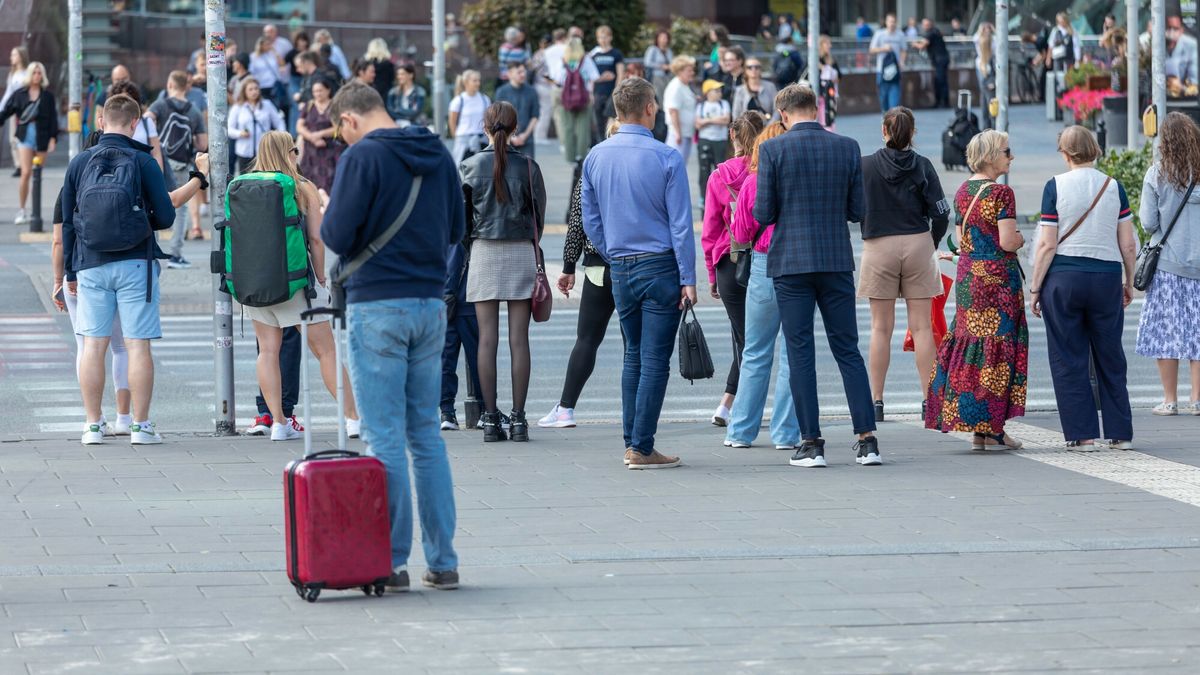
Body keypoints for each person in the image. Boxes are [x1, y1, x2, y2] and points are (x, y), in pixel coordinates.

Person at [321, 82, 461, 592]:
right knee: (425, 435)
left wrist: (324, 205)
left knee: (382, 439)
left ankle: (391, 560)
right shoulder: (438, 154)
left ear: (351, 120)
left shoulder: (363, 159)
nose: (343, 140)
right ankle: (444, 560)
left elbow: (336, 236)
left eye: (341, 132)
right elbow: (454, 230)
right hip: (429, 304)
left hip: (377, 304)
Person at [752, 84, 880, 469]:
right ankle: (867, 440)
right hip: (836, 259)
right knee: (847, 350)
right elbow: (858, 210)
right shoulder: (847, 147)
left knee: (800, 351)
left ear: (784, 114)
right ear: (816, 108)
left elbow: (763, 213)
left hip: (791, 263)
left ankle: (811, 443)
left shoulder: (773, 149)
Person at [582, 77, 696, 470]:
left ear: (616, 111)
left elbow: (589, 220)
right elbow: (680, 226)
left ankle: (632, 440)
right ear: (650, 108)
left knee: (632, 354)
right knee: (654, 359)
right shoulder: (666, 157)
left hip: (620, 266)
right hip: (659, 264)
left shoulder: (596, 156)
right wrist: (688, 277)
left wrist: (613, 248)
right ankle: (642, 446)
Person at [60, 94, 176, 446]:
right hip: (136, 263)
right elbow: (167, 216)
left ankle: (93, 425)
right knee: (137, 346)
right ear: (135, 123)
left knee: (93, 346)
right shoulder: (143, 161)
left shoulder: (79, 163)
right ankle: (140, 427)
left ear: (100, 122)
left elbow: (68, 222)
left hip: (91, 263)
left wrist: (70, 272)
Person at [237, 131, 361, 442]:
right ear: (288, 152)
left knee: (267, 350)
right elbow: (317, 239)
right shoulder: (302, 187)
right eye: (295, 149)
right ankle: (353, 418)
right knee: (326, 351)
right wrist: (320, 276)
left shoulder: (242, 184)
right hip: (297, 281)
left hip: (255, 280)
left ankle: (279, 422)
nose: (298, 154)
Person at [1028, 126, 1136, 450]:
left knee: (1068, 356)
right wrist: (1128, 281)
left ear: (1065, 152)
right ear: (1094, 149)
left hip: (1064, 279)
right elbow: (1128, 243)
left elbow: (1047, 244)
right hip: (1106, 278)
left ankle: (1082, 435)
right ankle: (1121, 434)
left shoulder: (1055, 186)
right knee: (1111, 356)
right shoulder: (1113, 187)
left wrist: (1034, 289)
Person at [925, 130, 1028, 450]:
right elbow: (1008, 241)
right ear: (991, 156)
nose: (1011, 157)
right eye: (1006, 151)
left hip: (971, 277)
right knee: (998, 350)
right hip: (998, 279)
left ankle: (978, 430)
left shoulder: (963, 190)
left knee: (972, 346)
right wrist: (1023, 239)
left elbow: (960, 237)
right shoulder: (1001, 193)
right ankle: (993, 427)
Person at [459, 101, 546, 443]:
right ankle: (520, 420)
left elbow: (460, 223)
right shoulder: (528, 167)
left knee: (486, 340)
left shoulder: (468, 166)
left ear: (485, 127)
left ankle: (490, 420)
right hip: (520, 249)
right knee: (518, 339)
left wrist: (471, 246)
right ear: (514, 129)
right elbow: (538, 216)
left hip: (483, 251)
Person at [859, 107, 950, 422]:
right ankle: (930, 401)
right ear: (912, 133)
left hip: (878, 244)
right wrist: (932, 242)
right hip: (917, 242)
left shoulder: (865, 166)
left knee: (880, 328)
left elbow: (853, 206)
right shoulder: (923, 166)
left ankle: (875, 402)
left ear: (884, 131)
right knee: (923, 327)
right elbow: (941, 213)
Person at [540, 120, 622, 429]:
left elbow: (577, 222)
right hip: (637, 264)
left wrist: (568, 267)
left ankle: (566, 408)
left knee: (587, 338)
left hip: (599, 266)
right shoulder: (644, 163)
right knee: (636, 344)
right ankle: (637, 411)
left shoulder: (593, 166)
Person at [722, 120, 797, 450]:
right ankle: (785, 433)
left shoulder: (754, 182)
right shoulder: (799, 180)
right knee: (793, 353)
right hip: (798, 265)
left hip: (765, 263)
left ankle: (740, 431)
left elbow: (739, 234)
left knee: (755, 351)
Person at [701, 111, 765, 426]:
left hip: (729, 261)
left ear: (733, 137)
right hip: (762, 258)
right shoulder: (765, 172)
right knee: (750, 339)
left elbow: (710, 230)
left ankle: (730, 405)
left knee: (743, 337)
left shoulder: (718, 177)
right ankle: (731, 405)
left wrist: (712, 275)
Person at [1136, 113, 1200, 417]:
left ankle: (1170, 400)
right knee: (1198, 332)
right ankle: (1197, 399)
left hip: (1169, 267)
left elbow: (1148, 223)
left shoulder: (1157, 173)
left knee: (1167, 332)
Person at [148, 71, 208, 268]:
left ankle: (152, 250)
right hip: (181, 164)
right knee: (181, 209)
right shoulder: (194, 111)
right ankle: (175, 254)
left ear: (170, 84)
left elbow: (147, 122)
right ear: (187, 87)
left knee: (152, 205)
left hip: (159, 162)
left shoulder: (160, 105)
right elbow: (202, 143)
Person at [0, 61, 57, 225]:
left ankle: (35, 211)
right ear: (29, 74)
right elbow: (6, 111)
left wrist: (53, 138)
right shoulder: (20, 94)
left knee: (37, 175)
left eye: (40, 73)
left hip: (42, 137)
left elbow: (53, 118)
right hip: (25, 136)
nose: (37, 76)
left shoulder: (47, 96)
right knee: (26, 173)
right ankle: (22, 210)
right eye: (34, 72)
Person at [440, 241, 482, 431]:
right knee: (478, 357)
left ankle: (447, 412)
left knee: (446, 359)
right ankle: (485, 409)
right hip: (467, 300)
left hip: (445, 301)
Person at [228, 76, 286, 174]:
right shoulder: (238, 107)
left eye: (256, 88)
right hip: (244, 151)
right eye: (250, 89)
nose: (254, 92)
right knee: (246, 182)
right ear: (244, 92)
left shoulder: (267, 104)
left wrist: (279, 137)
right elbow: (229, 129)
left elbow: (279, 122)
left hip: (264, 150)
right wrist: (240, 133)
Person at [554, 37, 598, 165]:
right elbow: (594, 77)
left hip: (566, 99)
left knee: (567, 127)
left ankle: (570, 157)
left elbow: (558, 80)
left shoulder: (563, 61)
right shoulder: (586, 60)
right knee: (583, 127)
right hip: (584, 98)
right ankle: (582, 156)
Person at [296, 77, 344, 193]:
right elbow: (299, 126)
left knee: (330, 181)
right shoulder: (309, 105)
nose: (317, 94)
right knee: (309, 181)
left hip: (330, 150)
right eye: (315, 91)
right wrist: (312, 137)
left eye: (320, 90)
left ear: (328, 90)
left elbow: (339, 127)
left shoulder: (334, 106)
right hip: (311, 150)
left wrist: (320, 134)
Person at [695, 80, 732, 205]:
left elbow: (726, 120)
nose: (719, 93)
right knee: (704, 170)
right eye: (716, 91)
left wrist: (707, 121)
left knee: (720, 170)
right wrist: (716, 120)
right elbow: (698, 123)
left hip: (720, 141)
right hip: (705, 140)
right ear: (708, 93)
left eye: (720, 90)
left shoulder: (724, 104)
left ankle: (721, 198)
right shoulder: (701, 106)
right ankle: (703, 198)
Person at [494, 61, 540, 160]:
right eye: (519, 72)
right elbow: (498, 117)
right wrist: (510, 136)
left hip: (527, 141)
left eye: (524, 71)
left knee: (528, 172)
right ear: (509, 74)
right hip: (506, 140)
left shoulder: (531, 91)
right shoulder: (501, 92)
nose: (523, 74)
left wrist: (524, 135)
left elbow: (535, 116)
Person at [589, 26, 625, 144]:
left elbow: (620, 74)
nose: (603, 40)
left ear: (610, 38)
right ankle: (601, 144)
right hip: (598, 93)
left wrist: (617, 91)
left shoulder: (616, 53)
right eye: (600, 38)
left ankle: (612, 143)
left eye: (605, 37)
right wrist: (591, 92)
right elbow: (590, 76)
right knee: (599, 122)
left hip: (611, 93)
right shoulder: (594, 54)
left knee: (612, 121)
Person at [448, 70, 490, 165]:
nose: (478, 83)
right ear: (466, 82)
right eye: (474, 81)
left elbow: (488, 121)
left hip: (481, 141)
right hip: (464, 143)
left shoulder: (485, 99)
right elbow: (452, 122)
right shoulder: (458, 100)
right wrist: (457, 138)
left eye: (478, 80)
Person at [869, 14, 907, 113]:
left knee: (894, 98)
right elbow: (871, 50)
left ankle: (892, 118)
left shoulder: (900, 35)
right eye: (890, 21)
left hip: (895, 70)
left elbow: (904, 50)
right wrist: (883, 48)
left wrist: (902, 62)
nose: (892, 24)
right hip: (881, 70)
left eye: (894, 21)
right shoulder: (879, 34)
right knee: (883, 97)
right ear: (886, 22)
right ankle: (885, 114)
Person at [663, 56, 697, 162]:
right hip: (678, 135)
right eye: (689, 70)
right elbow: (673, 111)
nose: (692, 73)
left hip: (686, 133)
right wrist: (678, 133)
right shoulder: (675, 86)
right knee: (675, 166)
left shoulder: (684, 85)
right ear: (680, 71)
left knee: (681, 165)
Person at [2, 46, 29, 178]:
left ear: (21, 57)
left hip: (26, 111)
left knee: (25, 137)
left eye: (14, 55)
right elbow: (8, 93)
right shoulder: (12, 74)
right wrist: (2, 108)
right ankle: (18, 165)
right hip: (14, 110)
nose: (11, 57)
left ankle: (27, 163)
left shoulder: (28, 73)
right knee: (13, 138)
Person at [913, 18, 950, 108]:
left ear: (931, 24)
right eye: (924, 24)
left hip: (939, 60)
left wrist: (914, 44)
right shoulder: (935, 31)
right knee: (942, 81)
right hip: (942, 59)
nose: (925, 26)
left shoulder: (931, 33)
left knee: (939, 81)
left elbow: (922, 45)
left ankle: (941, 103)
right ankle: (944, 102)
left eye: (927, 24)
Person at [817, 36, 841, 129]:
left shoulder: (832, 60)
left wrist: (832, 76)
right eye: (827, 43)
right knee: (822, 118)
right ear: (821, 45)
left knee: (830, 117)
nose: (830, 46)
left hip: (830, 94)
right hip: (819, 94)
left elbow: (839, 76)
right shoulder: (814, 60)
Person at [976, 24, 997, 129]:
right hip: (987, 81)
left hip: (987, 81)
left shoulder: (986, 61)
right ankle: (990, 130)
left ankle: (987, 130)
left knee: (987, 108)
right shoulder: (985, 61)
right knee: (989, 108)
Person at [643, 30, 674, 99]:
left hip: (668, 77)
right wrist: (661, 66)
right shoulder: (653, 49)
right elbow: (647, 62)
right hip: (657, 77)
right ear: (657, 39)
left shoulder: (669, 51)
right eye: (662, 37)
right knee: (659, 97)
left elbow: (672, 62)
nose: (664, 39)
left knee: (668, 96)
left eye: (666, 38)